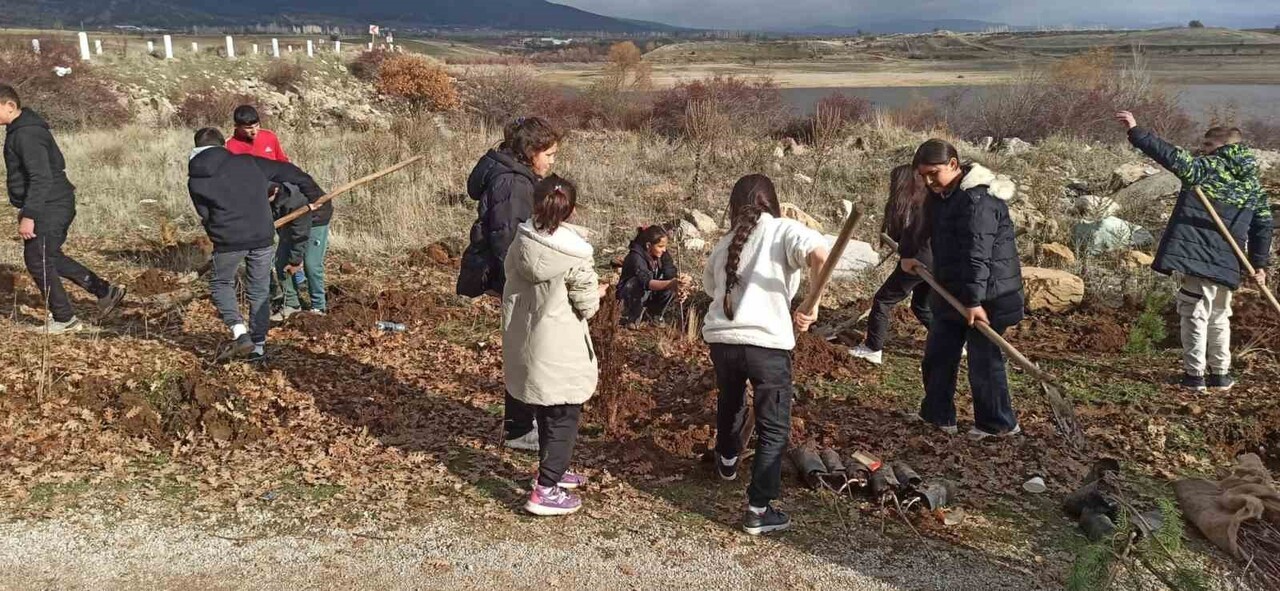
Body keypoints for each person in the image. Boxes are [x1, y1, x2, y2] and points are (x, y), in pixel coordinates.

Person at [703, 174, 829, 536]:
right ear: (772, 201)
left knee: (731, 400)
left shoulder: (726, 242)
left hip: (723, 342)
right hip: (766, 345)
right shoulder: (783, 228)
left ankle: (728, 459)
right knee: (773, 425)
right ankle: (758, 510)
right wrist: (812, 304)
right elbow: (821, 256)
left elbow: (711, 288)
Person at [1116, 111, 1273, 392]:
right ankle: (1220, 375)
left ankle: (1194, 375)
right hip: (1229, 260)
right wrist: (1259, 264)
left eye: (1208, 146)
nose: (1203, 151)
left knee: (1194, 313)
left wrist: (1136, 131)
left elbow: (1170, 156)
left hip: (1198, 256)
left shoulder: (1209, 168)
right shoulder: (1252, 185)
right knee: (1219, 316)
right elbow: (1263, 226)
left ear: (1223, 146)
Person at [901, 139, 1024, 441]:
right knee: (938, 353)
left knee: (984, 361)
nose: (928, 182)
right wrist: (909, 253)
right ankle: (937, 415)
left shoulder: (978, 200)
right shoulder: (942, 195)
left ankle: (997, 425)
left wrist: (973, 302)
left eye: (934, 173)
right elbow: (921, 224)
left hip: (990, 295)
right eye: (923, 176)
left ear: (953, 165)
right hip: (952, 290)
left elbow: (977, 255)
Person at [457, 117, 563, 452]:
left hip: (514, 276)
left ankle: (524, 422)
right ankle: (520, 429)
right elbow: (508, 238)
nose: (552, 161)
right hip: (516, 278)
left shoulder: (512, 176)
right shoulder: (513, 183)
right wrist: (526, 280)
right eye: (549, 154)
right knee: (525, 351)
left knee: (526, 348)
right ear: (531, 152)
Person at [501, 175, 603, 516]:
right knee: (563, 417)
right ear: (571, 211)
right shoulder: (575, 255)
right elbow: (587, 305)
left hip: (527, 343)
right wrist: (598, 292)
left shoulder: (520, 243)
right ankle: (545, 489)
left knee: (547, 410)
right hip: (561, 349)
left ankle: (553, 470)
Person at [187, 127, 324, 362]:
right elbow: (289, 171)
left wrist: (217, 235)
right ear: (223, 145)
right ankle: (258, 346)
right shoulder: (249, 162)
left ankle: (240, 333)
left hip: (228, 240)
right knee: (259, 289)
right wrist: (313, 195)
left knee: (221, 283)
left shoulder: (195, 179)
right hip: (262, 235)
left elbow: (205, 214)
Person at [1, 84, 126, 333]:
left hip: (51, 204)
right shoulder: (22, 129)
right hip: (52, 202)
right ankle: (104, 291)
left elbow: (41, 177)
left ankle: (64, 318)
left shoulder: (26, 133)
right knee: (48, 255)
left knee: (37, 259)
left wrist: (30, 214)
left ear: (10, 106)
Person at [850, 164, 933, 365]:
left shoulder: (906, 205)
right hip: (937, 262)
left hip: (916, 262)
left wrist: (908, 252)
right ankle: (955, 343)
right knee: (921, 306)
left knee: (883, 300)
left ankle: (872, 348)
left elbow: (903, 236)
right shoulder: (930, 202)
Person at [616, 225, 685, 326]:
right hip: (629, 297)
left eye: (665, 246)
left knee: (669, 284)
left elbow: (670, 272)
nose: (664, 250)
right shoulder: (635, 257)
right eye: (660, 246)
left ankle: (655, 315)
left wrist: (679, 285)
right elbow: (646, 282)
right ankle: (631, 317)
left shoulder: (662, 254)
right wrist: (671, 284)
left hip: (649, 295)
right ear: (648, 245)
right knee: (635, 283)